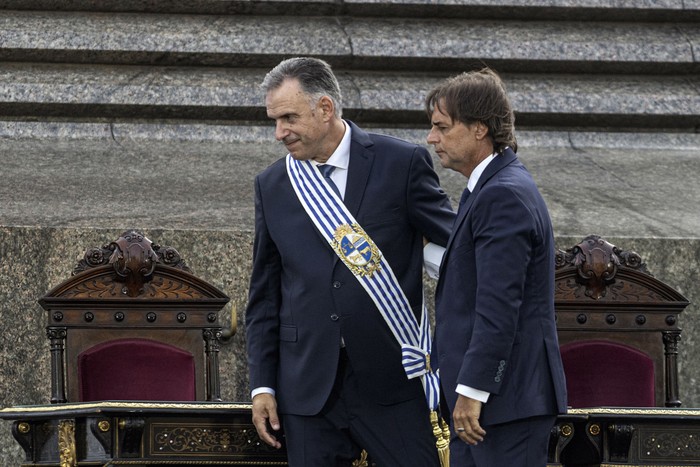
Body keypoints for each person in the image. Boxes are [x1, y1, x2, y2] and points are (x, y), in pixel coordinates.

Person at [245, 57, 456, 466]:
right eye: (274, 119)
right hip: (307, 388)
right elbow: (264, 297)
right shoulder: (272, 186)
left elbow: (460, 248)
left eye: (288, 117)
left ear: (325, 109)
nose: (279, 133)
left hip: (392, 379)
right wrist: (262, 387)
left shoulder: (401, 164)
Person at [425, 68, 568, 466]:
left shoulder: (501, 195)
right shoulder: (490, 187)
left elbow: (499, 306)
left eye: (441, 127)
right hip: (494, 405)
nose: (431, 138)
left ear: (479, 129)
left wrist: (471, 391)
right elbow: (474, 279)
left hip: (501, 406)